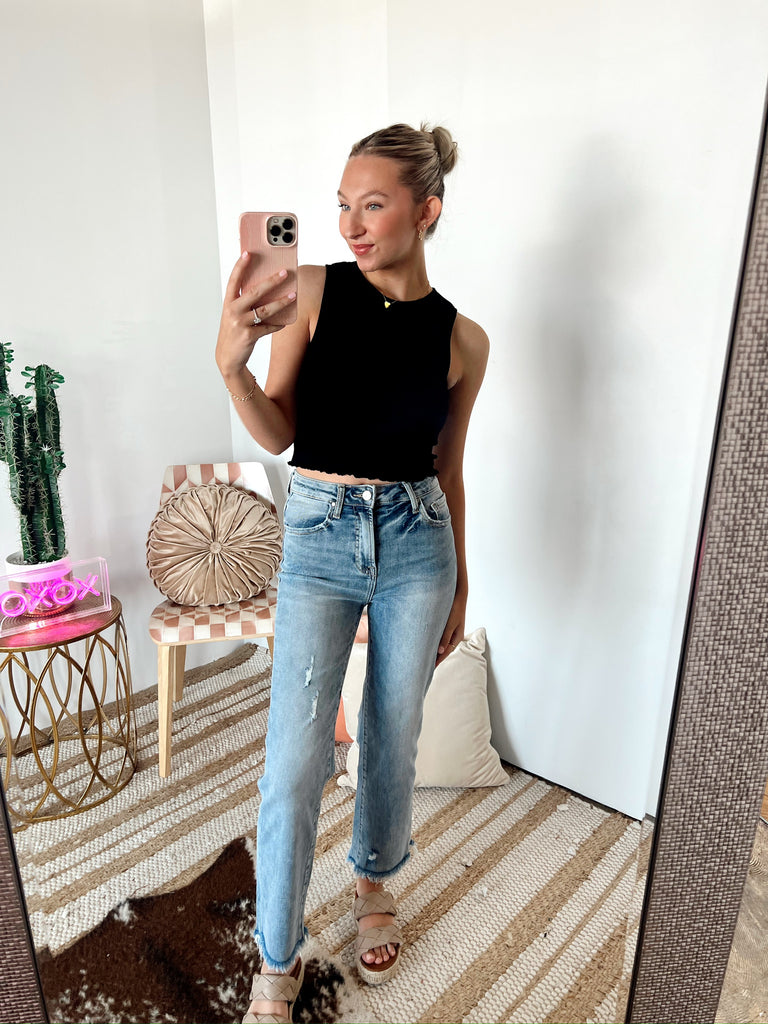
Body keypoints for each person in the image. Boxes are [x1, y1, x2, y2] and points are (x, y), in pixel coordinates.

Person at [215, 122, 489, 1024]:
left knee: (391, 731)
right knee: (295, 759)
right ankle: (276, 953)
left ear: (427, 210)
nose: (351, 225)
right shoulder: (310, 291)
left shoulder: (464, 340)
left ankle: (374, 878)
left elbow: (449, 470)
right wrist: (230, 367)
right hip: (320, 537)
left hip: (419, 542)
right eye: (342, 205)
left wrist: (463, 581)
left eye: (373, 205)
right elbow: (279, 429)